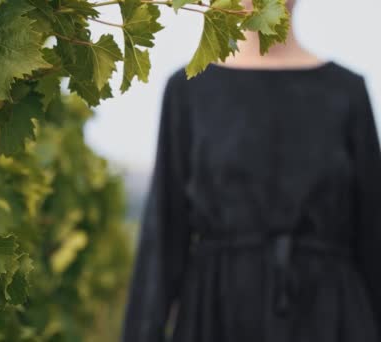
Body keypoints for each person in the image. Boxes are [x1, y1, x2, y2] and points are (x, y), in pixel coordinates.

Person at [121, 0, 381, 341]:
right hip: (217, 317)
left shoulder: (347, 93)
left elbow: (374, 238)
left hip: (331, 318)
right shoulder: (188, 91)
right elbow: (163, 237)